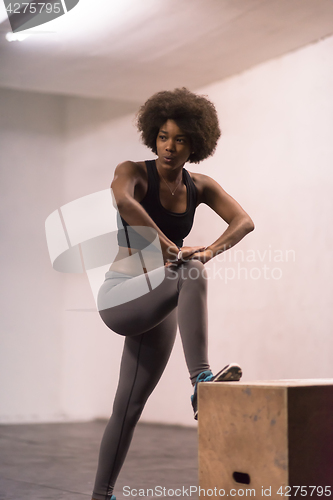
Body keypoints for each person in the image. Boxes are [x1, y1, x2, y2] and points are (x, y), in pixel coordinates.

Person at [91, 88, 254, 500]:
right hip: (120, 297)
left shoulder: (200, 185)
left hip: (160, 301)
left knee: (128, 409)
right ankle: (201, 381)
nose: (170, 146)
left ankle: (100, 496)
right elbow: (123, 201)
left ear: (194, 144)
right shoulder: (133, 171)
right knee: (190, 270)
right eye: (163, 136)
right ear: (153, 136)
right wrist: (170, 246)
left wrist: (210, 248)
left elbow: (244, 221)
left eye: (180, 139)